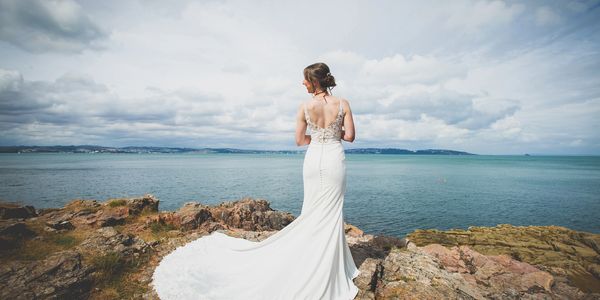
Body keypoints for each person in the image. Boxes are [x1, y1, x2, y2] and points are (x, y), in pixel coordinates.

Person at [152, 62, 360, 299]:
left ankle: (309, 256)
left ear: (314, 81)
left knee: (312, 209)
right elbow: (351, 136)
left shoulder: (304, 107)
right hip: (334, 158)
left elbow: (300, 141)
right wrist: (333, 134)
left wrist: (319, 135)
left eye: (305, 79)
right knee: (331, 211)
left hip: (313, 161)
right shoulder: (343, 103)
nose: (302, 83)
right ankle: (327, 263)